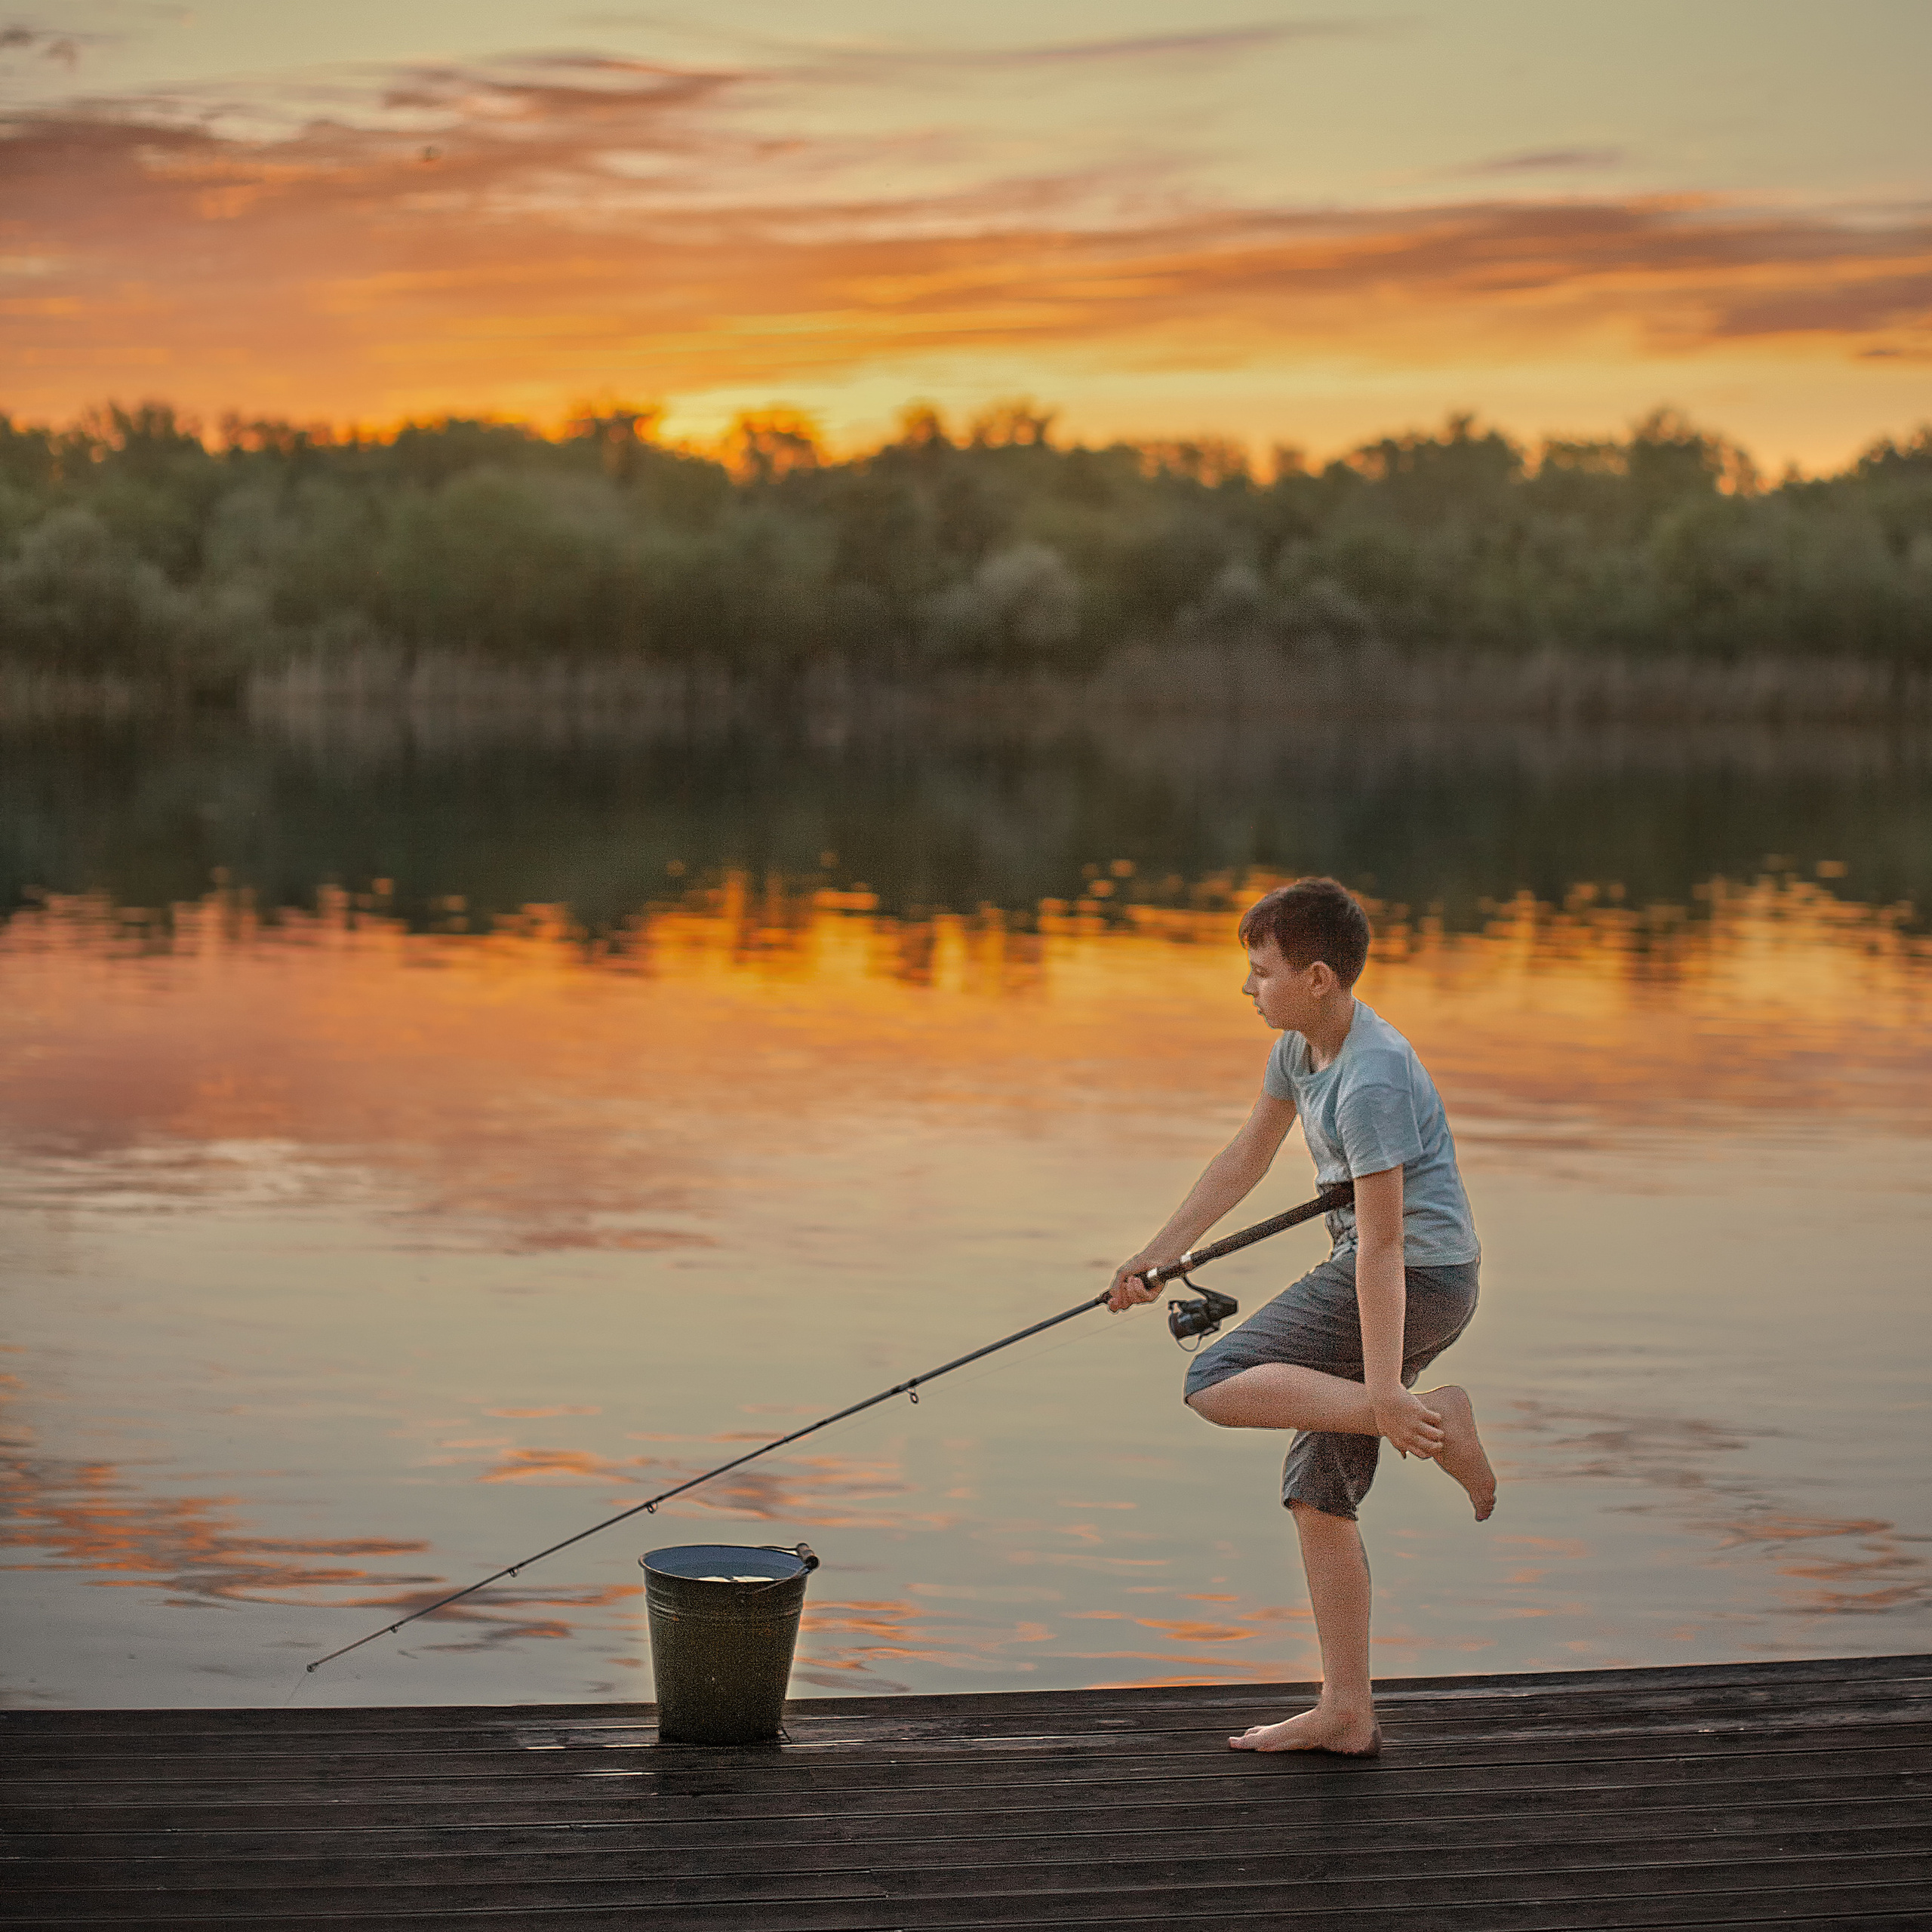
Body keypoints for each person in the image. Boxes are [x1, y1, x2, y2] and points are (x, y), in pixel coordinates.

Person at [1107, 876, 1494, 1758]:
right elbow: (1244, 1155)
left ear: (1316, 977)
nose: (1248, 986)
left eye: (1262, 969)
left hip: (1417, 1277)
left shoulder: (1371, 1080)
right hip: (1386, 1271)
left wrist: (1389, 1393)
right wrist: (1158, 1256)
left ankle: (1430, 1420)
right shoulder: (1300, 1050)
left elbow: (1386, 1246)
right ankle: (1347, 1711)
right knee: (1319, 1496)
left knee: (1212, 1379)